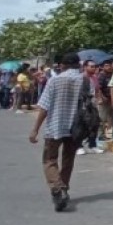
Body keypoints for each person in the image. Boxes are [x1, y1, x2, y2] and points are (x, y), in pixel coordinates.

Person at [29, 52, 89, 212]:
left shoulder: (54, 80)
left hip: (55, 125)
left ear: (62, 65)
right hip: (76, 127)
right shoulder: (85, 79)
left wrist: (35, 129)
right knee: (68, 159)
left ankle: (57, 188)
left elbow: (44, 106)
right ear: (78, 64)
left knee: (49, 159)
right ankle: (64, 188)